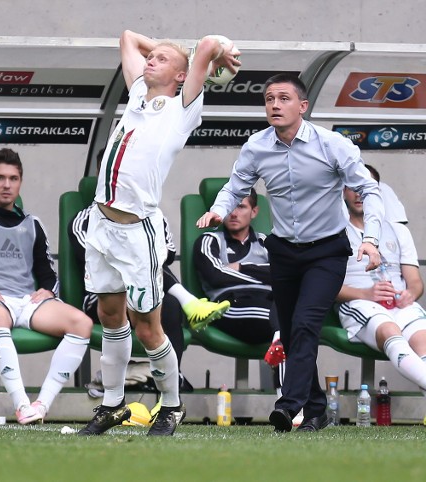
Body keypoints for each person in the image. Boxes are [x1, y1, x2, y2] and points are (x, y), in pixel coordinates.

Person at [197, 72, 384, 433]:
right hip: (282, 251)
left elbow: (368, 189)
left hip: (327, 252)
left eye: (283, 98)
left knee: (305, 324)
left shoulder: (333, 145)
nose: (274, 105)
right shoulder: (257, 145)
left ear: (303, 106)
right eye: (269, 99)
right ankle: (316, 409)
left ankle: (289, 403)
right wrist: (220, 209)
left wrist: (371, 238)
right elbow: (236, 187)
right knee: (292, 329)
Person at [78, 30, 240, 437]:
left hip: (138, 231)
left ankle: (171, 404)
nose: (151, 61)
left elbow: (206, 45)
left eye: (162, 61)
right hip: (101, 225)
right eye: (153, 58)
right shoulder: (136, 93)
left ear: (183, 77)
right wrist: (166, 53)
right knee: (109, 316)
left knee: (147, 326)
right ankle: (112, 406)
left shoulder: (182, 107)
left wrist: (220, 49)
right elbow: (128, 38)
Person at [0, 148, 92, 424]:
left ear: (20, 182)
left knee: (82, 323)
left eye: (13, 178)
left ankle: (41, 405)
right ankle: (22, 405)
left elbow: (47, 272)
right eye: (0, 178)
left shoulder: (33, 224)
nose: (7, 185)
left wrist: (48, 290)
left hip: (25, 302)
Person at [69, 189, 225, 393]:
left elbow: (167, 253)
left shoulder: (150, 214)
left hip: (143, 290)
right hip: (101, 296)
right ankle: (190, 302)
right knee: (140, 262)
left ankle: (170, 385)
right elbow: (96, 256)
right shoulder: (84, 219)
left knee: (169, 304)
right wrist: (136, 248)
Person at [337, 169, 426, 419]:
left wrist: (410, 294)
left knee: (423, 339)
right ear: (344, 191)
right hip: (357, 301)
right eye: (354, 186)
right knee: (390, 330)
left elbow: (415, 283)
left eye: (367, 187)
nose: (360, 194)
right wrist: (365, 293)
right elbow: (323, 287)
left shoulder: (397, 230)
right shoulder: (335, 232)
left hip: (397, 302)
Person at [193, 188, 287, 395]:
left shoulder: (267, 242)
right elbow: (215, 275)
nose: (234, 213)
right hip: (230, 306)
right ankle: (287, 400)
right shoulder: (209, 240)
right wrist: (266, 275)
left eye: (241, 206)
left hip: (269, 304)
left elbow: (285, 274)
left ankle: (289, 403)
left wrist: (243, 267)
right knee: (286, 325)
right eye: (230, 207)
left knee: (291, 322)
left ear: (254, 212)